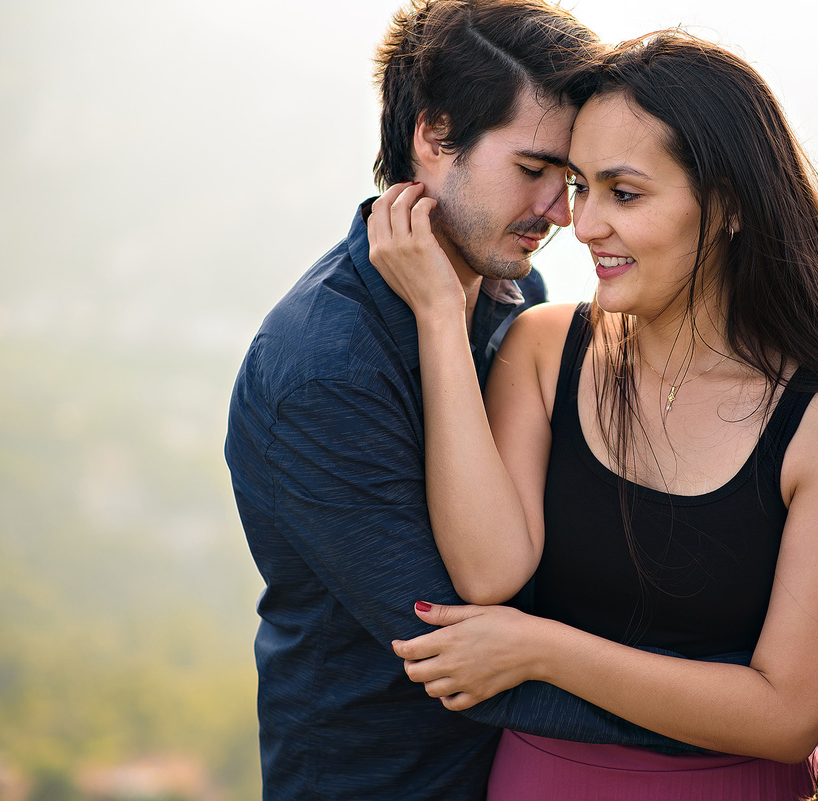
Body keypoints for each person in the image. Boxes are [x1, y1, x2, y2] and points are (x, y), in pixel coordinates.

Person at [370, 31, 818, 801]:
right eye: (580, 186)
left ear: (728, 204)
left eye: (625, 193)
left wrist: (541, 650)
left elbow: (785, 713)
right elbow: (488, 568)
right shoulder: (542, 349)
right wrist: (439, 314)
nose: (585, 223)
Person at [224, 4, 714, 799]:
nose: (561, 213)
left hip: (519, 775)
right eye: (532, 170)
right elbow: (459, 645)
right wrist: (741, 716)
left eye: (575, 179)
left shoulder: (516, 294)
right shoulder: (322, 371)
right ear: (434, 134)